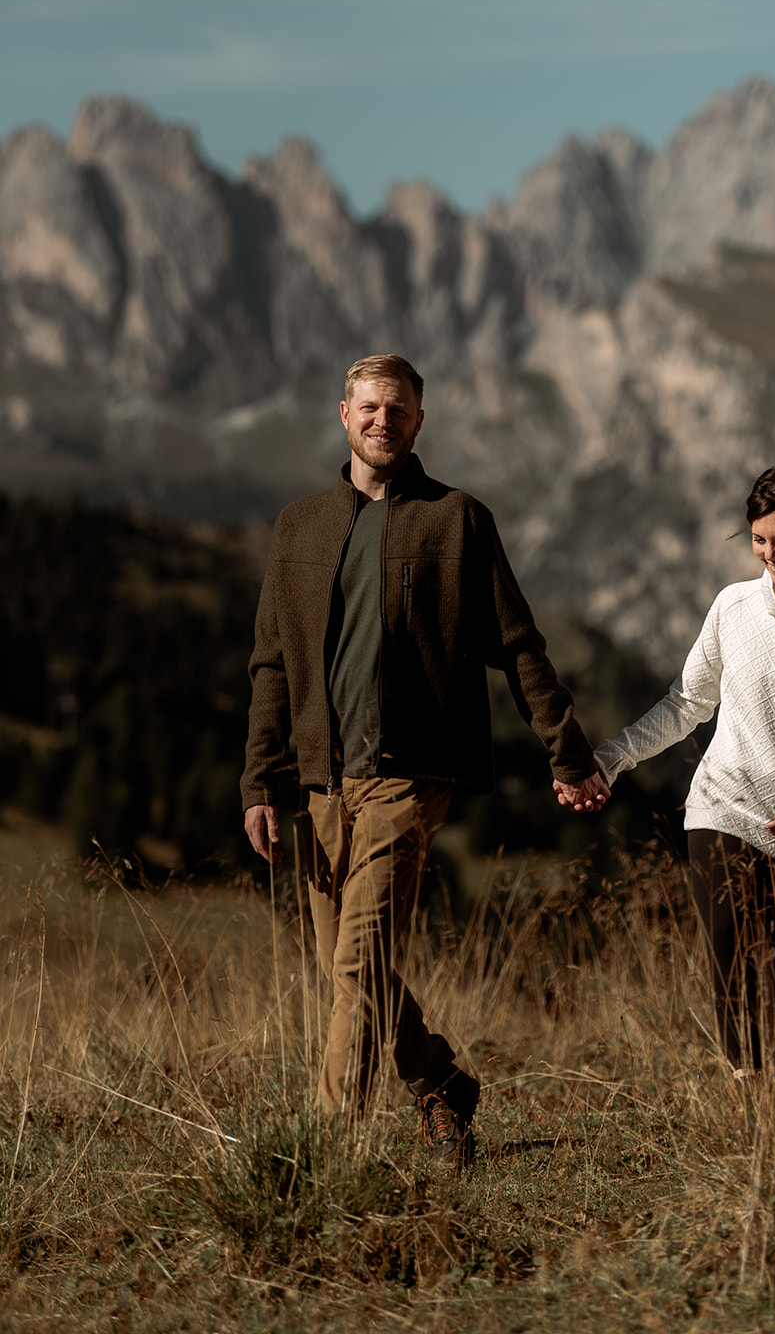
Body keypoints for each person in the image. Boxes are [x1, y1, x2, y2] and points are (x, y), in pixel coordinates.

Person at [242, 353, 606, 1159]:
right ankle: (440, 1081)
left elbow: (517, 644)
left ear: (418, 422)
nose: (383, 421)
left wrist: (567, 753)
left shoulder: (457, 519)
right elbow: (272, 662)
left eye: (398, 410)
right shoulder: (298, 525)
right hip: (320, 783)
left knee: (359, 959)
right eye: (369, 407)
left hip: (412, 775)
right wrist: (258, 782)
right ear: (345, 416)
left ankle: (324, 1156)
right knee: (351, 967)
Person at [572, 463, 775, 1084]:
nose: (770, 554)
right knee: (730, 953)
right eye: (759, 540)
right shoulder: (734, 607)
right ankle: (749, 1100)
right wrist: (612, 758)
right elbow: (688, 703)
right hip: (724, 804)